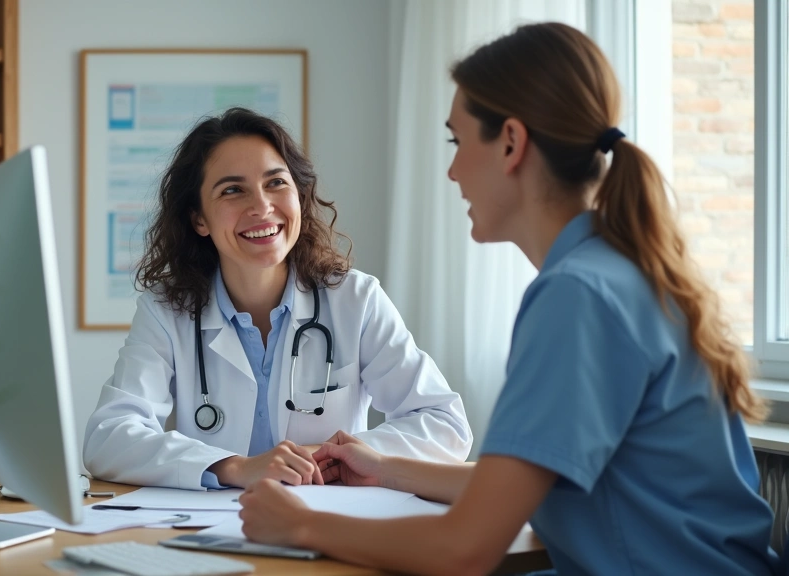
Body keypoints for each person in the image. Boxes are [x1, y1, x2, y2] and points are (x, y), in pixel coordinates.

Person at [237, 23, 780, 576]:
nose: (451, 171)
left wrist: (301, 525)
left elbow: (465, 548)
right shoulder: (619, 271)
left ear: (512, 143)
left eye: (458, 141)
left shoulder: (576, 298)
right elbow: (523, 487)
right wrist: (385, 468)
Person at [83, 108, 472, 491]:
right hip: (210, 530)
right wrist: (235, 467)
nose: (262, 207)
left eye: (275, 183)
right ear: (199, 219)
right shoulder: (166, 310)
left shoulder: (355, 299)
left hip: (330, 523)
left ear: (299, 196)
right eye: (232, 190)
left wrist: (331, 455)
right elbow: (108, 437)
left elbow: (445, 424)